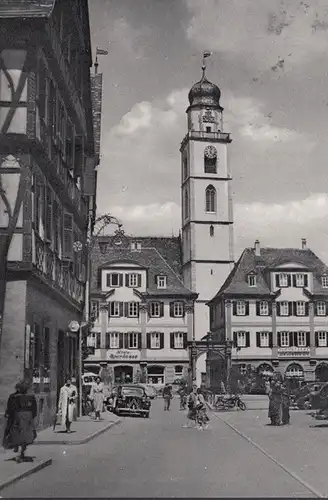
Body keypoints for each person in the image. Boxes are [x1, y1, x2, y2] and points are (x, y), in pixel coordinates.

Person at [2, 380, 37, 462]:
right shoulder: (31, 397)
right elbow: (34, 409)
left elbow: (10, 408)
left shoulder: (13, 397)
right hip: (28, 418)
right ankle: (22, 451)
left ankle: (18, 448)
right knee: (26, 434)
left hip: (17, 417)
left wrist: (8, 414)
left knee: (17, 433)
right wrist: (32, 416)